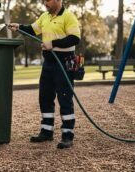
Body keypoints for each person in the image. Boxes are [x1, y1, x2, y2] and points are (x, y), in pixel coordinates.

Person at [8, 0, 81, 149]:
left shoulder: (68, 16)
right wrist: (19, 27)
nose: (44, 3)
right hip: (48, 63)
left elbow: (74, 38)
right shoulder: (44, 16)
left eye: (47, 0)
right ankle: (46, 132)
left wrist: (53, 43)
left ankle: (67, 135)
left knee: (65, 98)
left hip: (64, 62)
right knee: (45, 96)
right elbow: (33, 29)